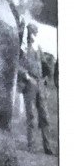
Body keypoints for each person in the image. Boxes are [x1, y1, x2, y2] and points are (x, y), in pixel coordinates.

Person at [18, 22, 55, 155]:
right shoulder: (24, 49)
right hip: (29, 85)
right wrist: (26, 76)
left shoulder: (38, 48)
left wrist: (46, 78)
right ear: (29, 34)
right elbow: (18, 66)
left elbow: (45, 64)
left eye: (35, 32)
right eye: (33, 32)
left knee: (44, 116)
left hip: (40, 84)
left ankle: (48, 147)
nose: (35, 35)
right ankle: (31, 146)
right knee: (31, 116)